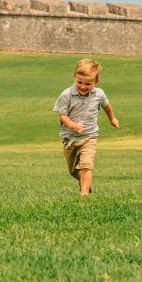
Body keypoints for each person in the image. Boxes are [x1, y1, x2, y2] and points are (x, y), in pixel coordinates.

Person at [54, 58, 119, 195]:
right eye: (79, 82)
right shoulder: (66, 95)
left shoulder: (99, 94)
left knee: (86, 165)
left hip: (89, 136)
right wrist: (72, 125)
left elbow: (107, 106)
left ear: (96, 82)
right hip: (70, 138)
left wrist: (112, 119)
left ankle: (84, 195)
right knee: (72, 171)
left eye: (88, 84)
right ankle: (85, 184)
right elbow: (62, 114)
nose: (83, 86)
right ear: (74, 78)